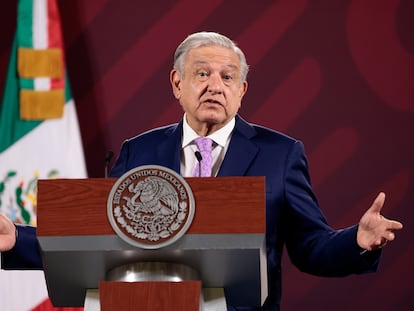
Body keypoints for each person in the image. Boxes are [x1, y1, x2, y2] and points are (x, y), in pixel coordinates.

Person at [0, 32, 403, 310]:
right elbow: (101, 240)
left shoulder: (280, 154)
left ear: (242, 90)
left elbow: (311, 247)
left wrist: (358, 241)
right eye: (202, 73)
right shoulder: (139, 151)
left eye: (228, 77)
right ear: (177, 83)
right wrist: (18, 238)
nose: (216, 85)